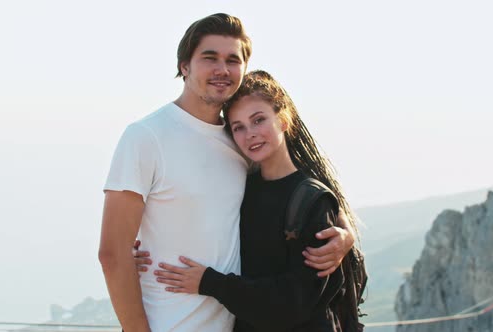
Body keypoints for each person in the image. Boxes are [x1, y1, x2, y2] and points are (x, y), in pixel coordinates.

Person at [99, 13, 354, 332]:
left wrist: (345, 232)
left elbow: (300, 186)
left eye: (233, 60)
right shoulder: (145, 137)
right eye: (210, 58)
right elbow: (112, 253)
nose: (222, 69)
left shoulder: (240, 140)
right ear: (184, 66)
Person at [151, 70, 361, 331]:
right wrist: (143, 250)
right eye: (238, 127)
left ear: (284, 120)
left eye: (258, 120)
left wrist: (210, 283)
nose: (250, 133)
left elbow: (294, 301)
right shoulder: (240, 189)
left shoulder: (311, 200)